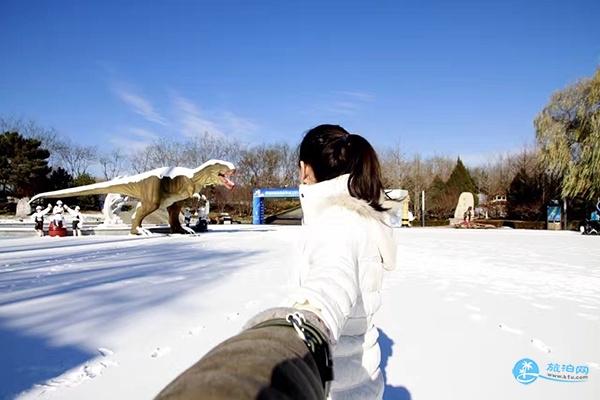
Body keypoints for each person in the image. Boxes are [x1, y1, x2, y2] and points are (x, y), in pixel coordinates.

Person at [155, 124, 396, 400]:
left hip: (334, 390)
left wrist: (292, 335)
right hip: (358, 386)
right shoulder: (359, 219)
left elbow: (330, 285)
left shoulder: (337, 224)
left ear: (305, 170)